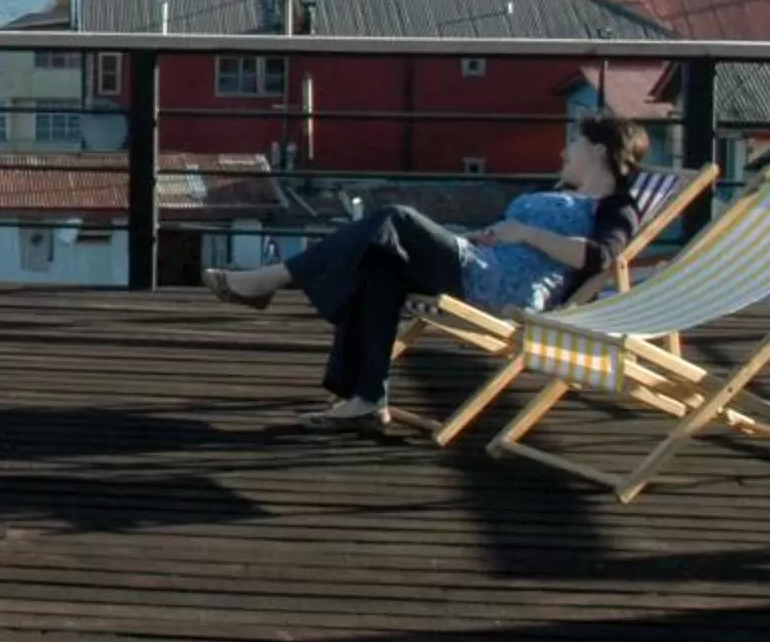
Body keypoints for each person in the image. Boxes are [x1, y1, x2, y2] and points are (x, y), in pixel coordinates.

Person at [204, 113, 651, 427]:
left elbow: (598, 258)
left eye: (574, 142)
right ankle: (366, 399)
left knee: (395, 217)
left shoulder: (617, 207)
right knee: (380, 263)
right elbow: (516, 234)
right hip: (481, 260)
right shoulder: (557, 191)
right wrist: (493, 233)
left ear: (596, 149)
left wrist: (524, 234)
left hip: (501, 289)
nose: (563, 150)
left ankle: (271, 279)